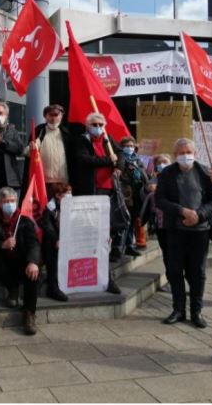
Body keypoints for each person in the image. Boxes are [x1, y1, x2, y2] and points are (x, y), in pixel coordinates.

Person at [156, 138, 212, 328]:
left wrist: (199, 215)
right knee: (175, 270)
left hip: (200, 231)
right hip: (175, 229)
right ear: (175, 154)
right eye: (181, 153)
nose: (185, 156)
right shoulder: (167, 173)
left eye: (188, 152)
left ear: (194, 153)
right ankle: (178, 309)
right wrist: (181, 211)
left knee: (198, 272)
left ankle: (196, 311)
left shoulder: (204, 172)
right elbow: (160, 199)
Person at [72, 112, 126, 294]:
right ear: (87, 126)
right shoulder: (81, 141)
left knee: (105, 236)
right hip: (89, 192)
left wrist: (118, 167)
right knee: (88, 234)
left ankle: (107, 277)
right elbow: (83, 160)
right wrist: (107, 161)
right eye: (94, 124)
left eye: (101, 123)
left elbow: (120, 155)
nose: (98, 127)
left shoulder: (108, 139)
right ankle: (84, 274)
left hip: (108, 192)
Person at [0, 187, 41, 335]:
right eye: (6, 201)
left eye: (12, 201)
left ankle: (29, 313)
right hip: (1, 264)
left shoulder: (25, 221)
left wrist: (33, 261)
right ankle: (12, 289)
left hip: (21, 262)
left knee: (33, 272)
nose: (9, 204)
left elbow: (33, 243)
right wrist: (1, 244)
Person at [25, 104, 75, 199]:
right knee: (46, 210)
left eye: (56, 115)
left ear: (61, 116)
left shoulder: (67, 134)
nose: (53, 118)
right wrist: (31, 148)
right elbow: (27, 153)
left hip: (63, 182)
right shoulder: (40, 131)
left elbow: (72, 157)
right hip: (43, 182)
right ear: (45, 116)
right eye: (50, 115)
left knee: (63, 210)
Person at [140, 153, 172, 292]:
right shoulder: (152, 179)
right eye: (160, 162)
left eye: (165, 162)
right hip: (159, 223)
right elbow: (144, 199)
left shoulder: (176, 177)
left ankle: (178, 280)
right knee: (166, 252)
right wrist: (146, 190)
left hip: (175, 222)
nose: (162, 164)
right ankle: (171, 280)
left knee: (176, 254)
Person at [116, 136, 149, 256]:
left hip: (137, 193)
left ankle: (129, 245)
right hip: (126, 194)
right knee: (124, 220)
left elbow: (144, 174)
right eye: (126, 146)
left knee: (133, 219)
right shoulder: (121, 158)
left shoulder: (138, 160)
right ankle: (118, 246)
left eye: (131, 146)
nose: (129, 148)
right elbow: (120, 172)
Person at [41, 182, 73, 302]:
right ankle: (53, 287)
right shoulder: (49, 209)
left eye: (70, 193)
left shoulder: (74, 207)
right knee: (50, 246)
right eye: (67, 193)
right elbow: (48, 228)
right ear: (58, 195)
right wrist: (57, 240)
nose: (70, 196)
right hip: (53, 243)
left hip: (69, 241)